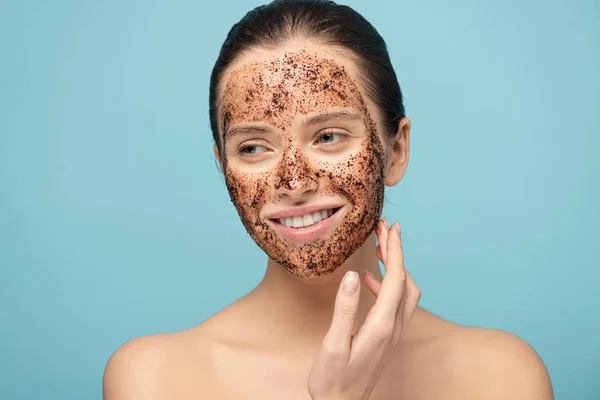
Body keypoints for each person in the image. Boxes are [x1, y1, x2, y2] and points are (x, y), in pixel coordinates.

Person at [103, 0, 554, 398]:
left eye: (329, 136)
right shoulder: (155, 378)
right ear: (224, 168)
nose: (293, 181)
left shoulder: (502, 376)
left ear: (395, 151)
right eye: (254, 147)